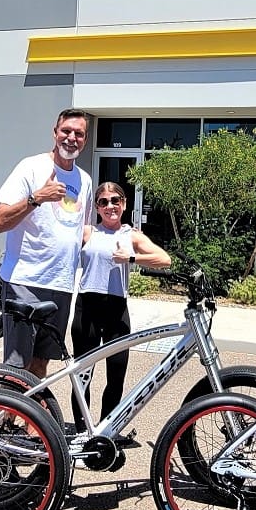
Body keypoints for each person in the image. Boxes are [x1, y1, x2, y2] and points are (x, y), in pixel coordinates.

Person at [0, 109, 93, 378]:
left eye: (79, 134)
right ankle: (6, 419)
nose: (71, 138)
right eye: (66, 131)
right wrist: (36, 198)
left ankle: (30, 422)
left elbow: (81, 231)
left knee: (40, 365)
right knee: (16, 368)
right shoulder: (31, 167)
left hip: (61, 285)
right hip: (26, 282)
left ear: (85, 139)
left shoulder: (85, 180)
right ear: (55, 132)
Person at [70, 182, 171, 433]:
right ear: (96, 207)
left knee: (116, 375)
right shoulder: (87, 233)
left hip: (116, 311)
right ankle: (83, 431)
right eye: (103, 202)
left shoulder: (131, 235)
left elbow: (164, 259)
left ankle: (107, 430)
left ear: (124, 204)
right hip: (87, 309)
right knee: (82, 376)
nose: (110, 206)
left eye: (115, 200)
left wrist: (132, 258)